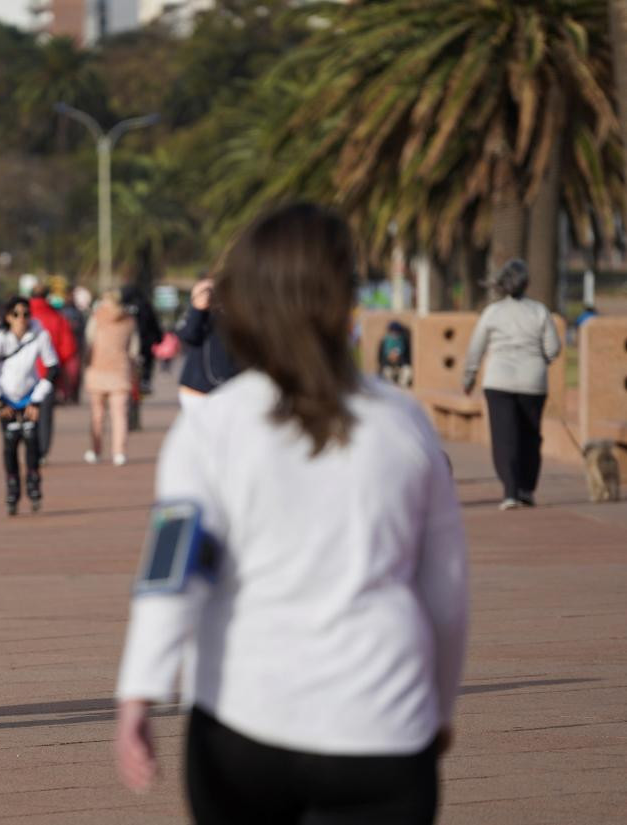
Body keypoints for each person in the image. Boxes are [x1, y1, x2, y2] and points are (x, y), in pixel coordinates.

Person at [115, 203, 469, 825]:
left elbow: (174, 569)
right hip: (382, 720)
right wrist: (438, 708)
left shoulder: (214, 427)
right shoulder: (404, 422)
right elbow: (445, 587)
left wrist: (139, 690)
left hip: (244, 719)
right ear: (345, 300)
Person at [462, 259, 561, 511]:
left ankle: (510, 492)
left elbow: (476, 348)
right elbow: (553, 349)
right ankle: (527, 489)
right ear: (526, 284)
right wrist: (537, 360)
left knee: (504, 436)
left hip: (499, 381)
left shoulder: (492, 312)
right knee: (530, 435)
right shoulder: (539, 311)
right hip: (533, 382)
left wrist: (469, 377)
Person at [0, 296, 59, 515]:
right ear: (8, 317)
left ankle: (33, 483)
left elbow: (52, 368)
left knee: (32, 441)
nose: (22, 319)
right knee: (11, 441)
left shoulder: (40, 335)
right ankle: (12, 488)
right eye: (16, 314)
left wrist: (37, 399)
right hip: (5, 397)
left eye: (26, 314)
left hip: (30, 395)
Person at [82, 290, 139, 466]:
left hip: (98, 369)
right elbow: (134, 349)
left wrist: (86, 362)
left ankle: (95, 450)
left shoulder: (96, 317)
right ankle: (119, 452)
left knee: (97, 414)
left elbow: (88, 342)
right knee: (120, 415)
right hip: (120, 371)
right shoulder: (129, 320)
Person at [175, 277, 240, 411]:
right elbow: (189, 336)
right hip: (196, 390)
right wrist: (198, 309)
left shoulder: (238, 314)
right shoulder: (197, 315)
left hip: (230, 389)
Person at [29, 286, 77, 459]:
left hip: (24, 375)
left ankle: (30, 449)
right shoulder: (56, 318)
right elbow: (68, 348)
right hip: (48, 373)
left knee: (27, 414)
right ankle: (42, 450)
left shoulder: (22, 318)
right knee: (45, 415)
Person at [121, 285, 163, 395]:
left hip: (125, 343)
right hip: (144, 342)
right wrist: (159, 338)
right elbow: (154, 323)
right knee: (147, 361)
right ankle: (146, 381)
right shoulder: (145, 305)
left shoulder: (121, 306)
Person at [378, 320, 413, 388]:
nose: (394, 333)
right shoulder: (384, 341)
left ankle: (401, 389)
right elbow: (381, 358)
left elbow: (407, 358)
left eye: (396, 331)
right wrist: (389, 358)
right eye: (392, 331)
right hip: (389, 366)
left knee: (407, 371)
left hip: (400, 366)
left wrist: (398, 358)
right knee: (387, 372)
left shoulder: (404, 341)